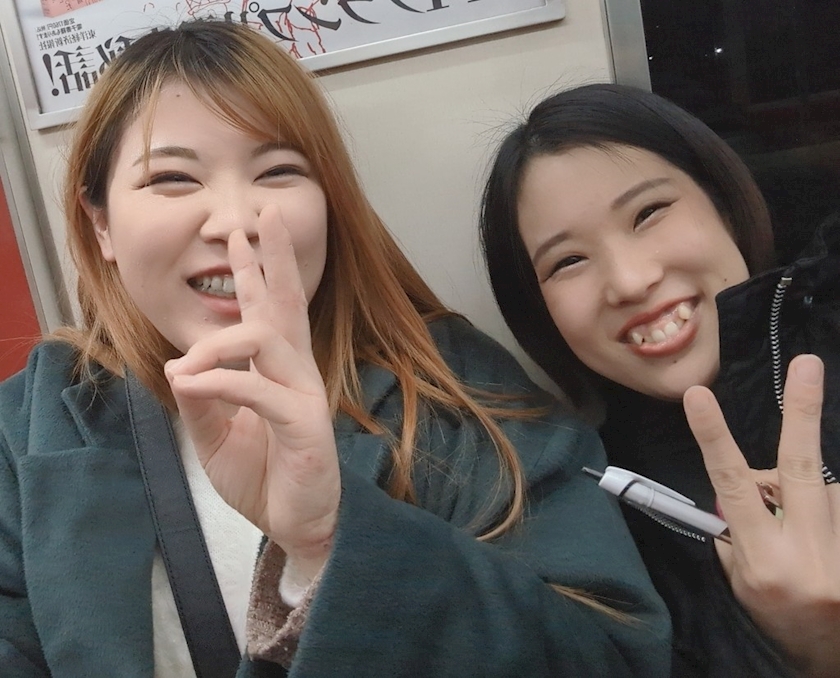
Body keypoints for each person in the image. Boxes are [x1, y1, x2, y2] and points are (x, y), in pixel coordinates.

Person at [0, 24, 671, 678]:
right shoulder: (26, 433)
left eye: (278, 171)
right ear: (100, 222)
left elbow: (613, 653)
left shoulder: (454, 388)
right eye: (173, 178)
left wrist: (327, 541)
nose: (235, 222)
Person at [479, 83, 840, 677]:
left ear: (723, 203)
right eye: (568, 261)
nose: (629, 281)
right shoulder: (599, 533)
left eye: (648, 213)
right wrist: (814, 649)